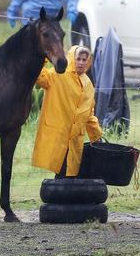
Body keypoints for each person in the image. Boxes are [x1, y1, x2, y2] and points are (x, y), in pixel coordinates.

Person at [32, 45, 103, 178]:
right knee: (61, 170)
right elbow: (39, 75)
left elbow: (89, 115)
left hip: (75, 140)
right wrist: (44, 57)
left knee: (70, 173)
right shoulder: (57, 74)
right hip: (58, 135)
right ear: (71, 58)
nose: (81, 63)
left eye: (84, 60)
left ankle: (64, 196)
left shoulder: (88, 85)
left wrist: (97, 136)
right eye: (78, 59)